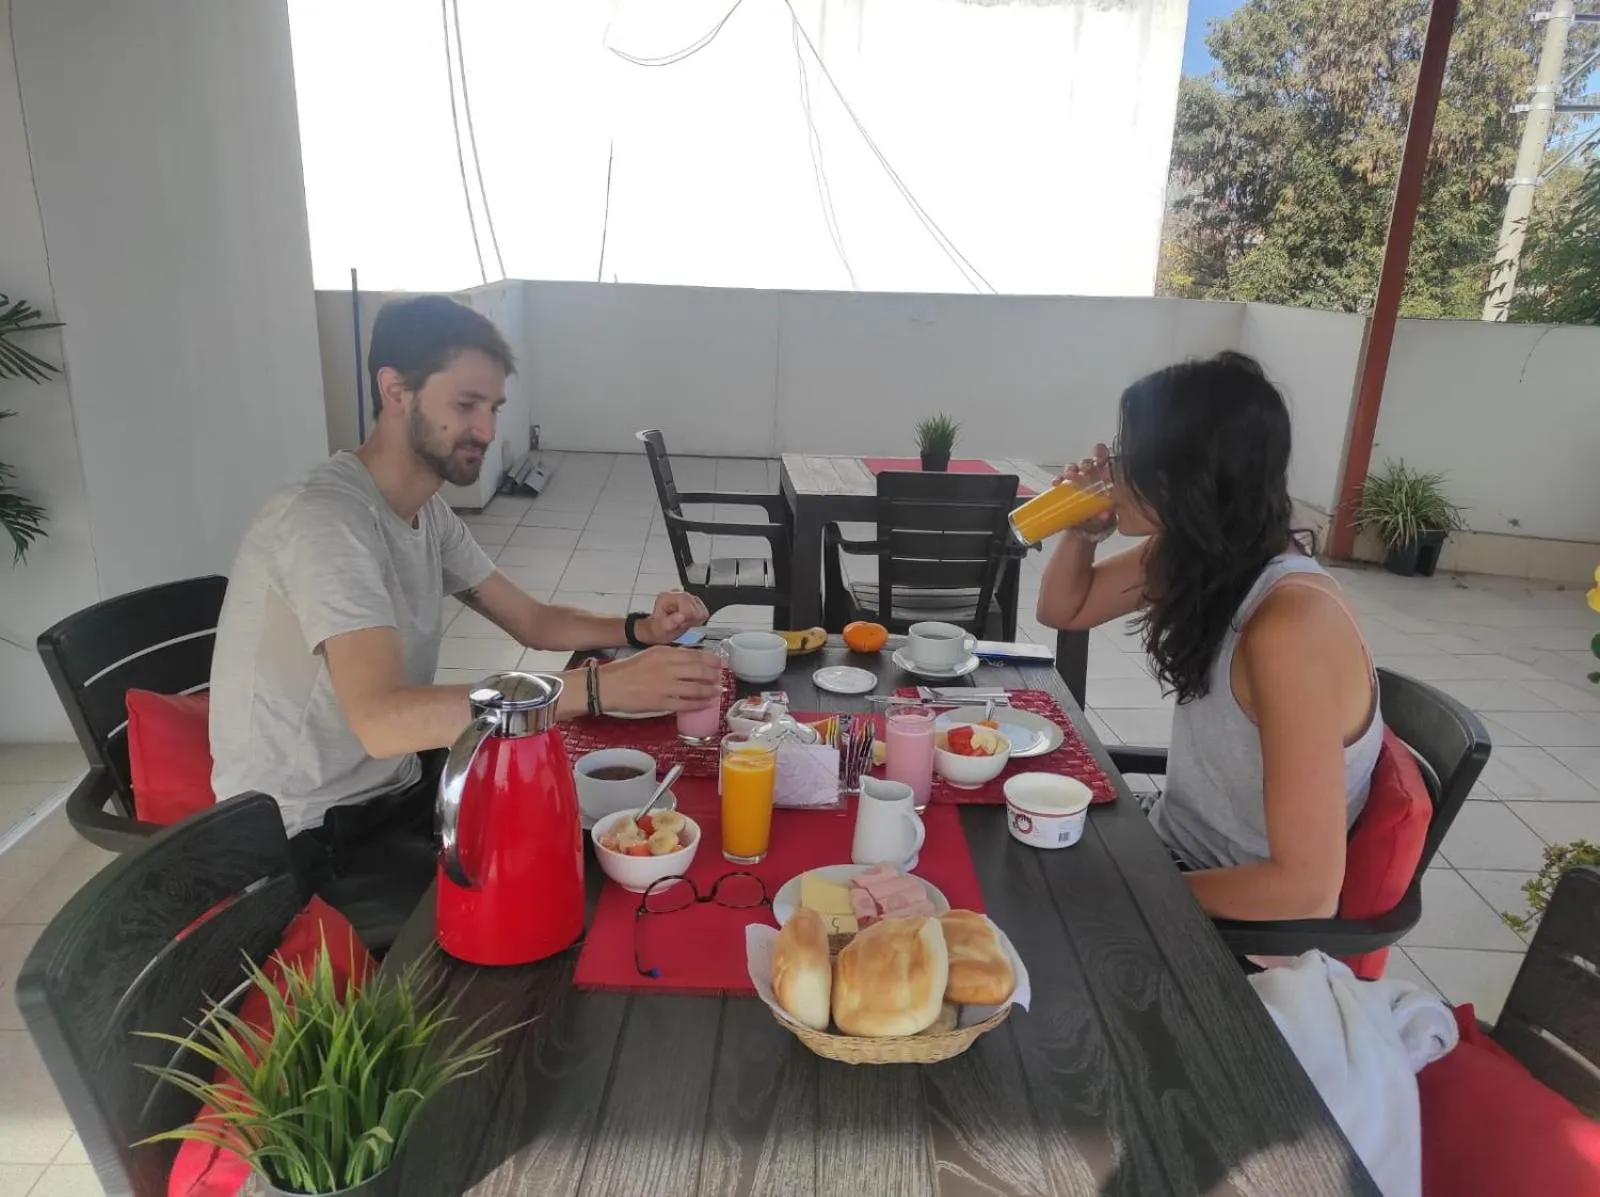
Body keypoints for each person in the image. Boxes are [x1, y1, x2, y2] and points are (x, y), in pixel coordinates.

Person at [209, 294, 722, 905]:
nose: (486, 430)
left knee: (605, 829)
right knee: (572, 889)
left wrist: (641, 630)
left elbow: (532, 619)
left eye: (493, 407)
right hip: (309, 838)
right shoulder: (327, 522)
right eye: (466, 405)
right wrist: (600, 689)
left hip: (398, 789)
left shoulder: (424, 511)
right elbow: (382, 720)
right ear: (395, 390)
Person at [1035, 351, 1380, 922]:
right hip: (1169, 848)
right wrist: (1082, 533)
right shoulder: (1203, 557)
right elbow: (1063, 610)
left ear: (1187, 474)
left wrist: (1113, 893)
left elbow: (1305, 892)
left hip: (1230, 923)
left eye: (1131, 453)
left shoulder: (1290, 625)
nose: (1114, 470)